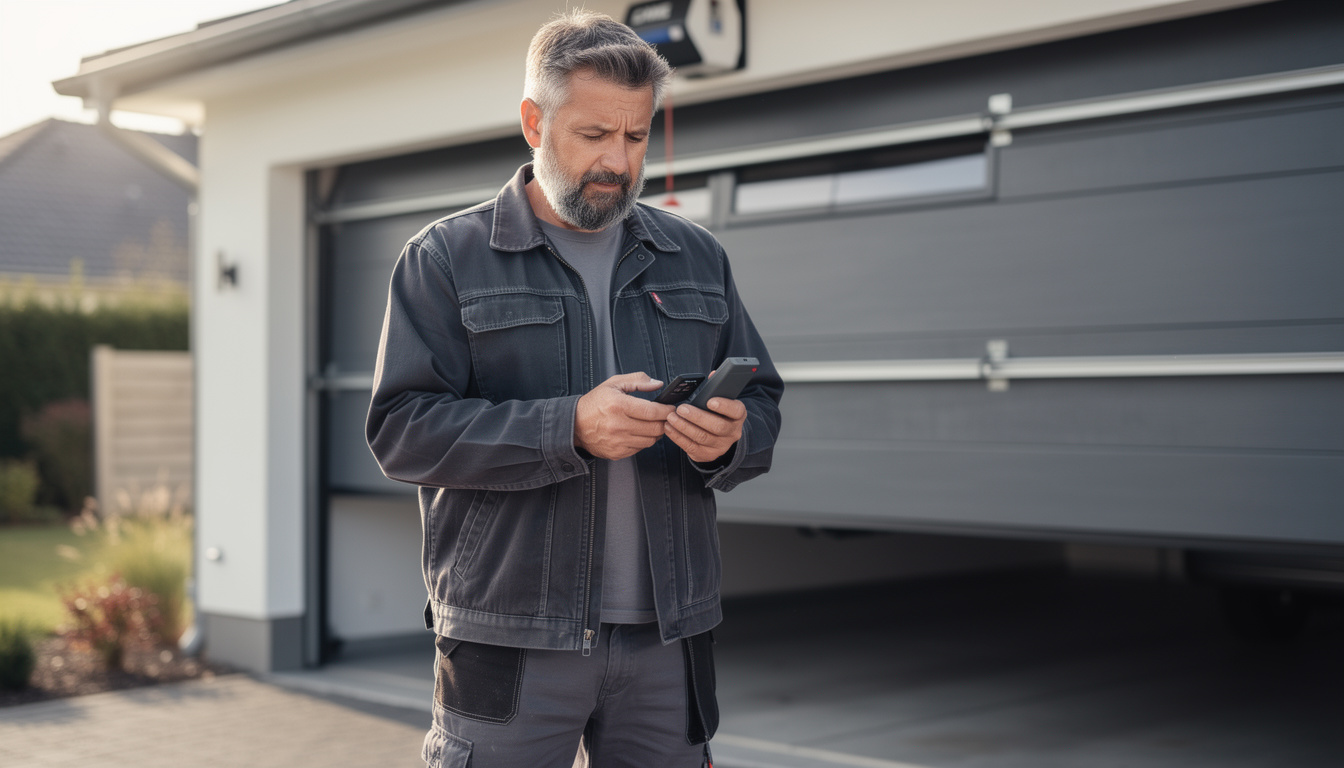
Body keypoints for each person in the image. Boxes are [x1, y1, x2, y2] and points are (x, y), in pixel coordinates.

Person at [366, 9, 783, 768]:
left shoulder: (696, 255)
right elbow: (402, 430)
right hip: (509, 637)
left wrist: (733, 440)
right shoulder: (445, 259)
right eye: (594, 136)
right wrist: (568, 427)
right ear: (534, 121)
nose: (618, 162)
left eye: (634, 137)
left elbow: (763, 404)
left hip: (668, 639)